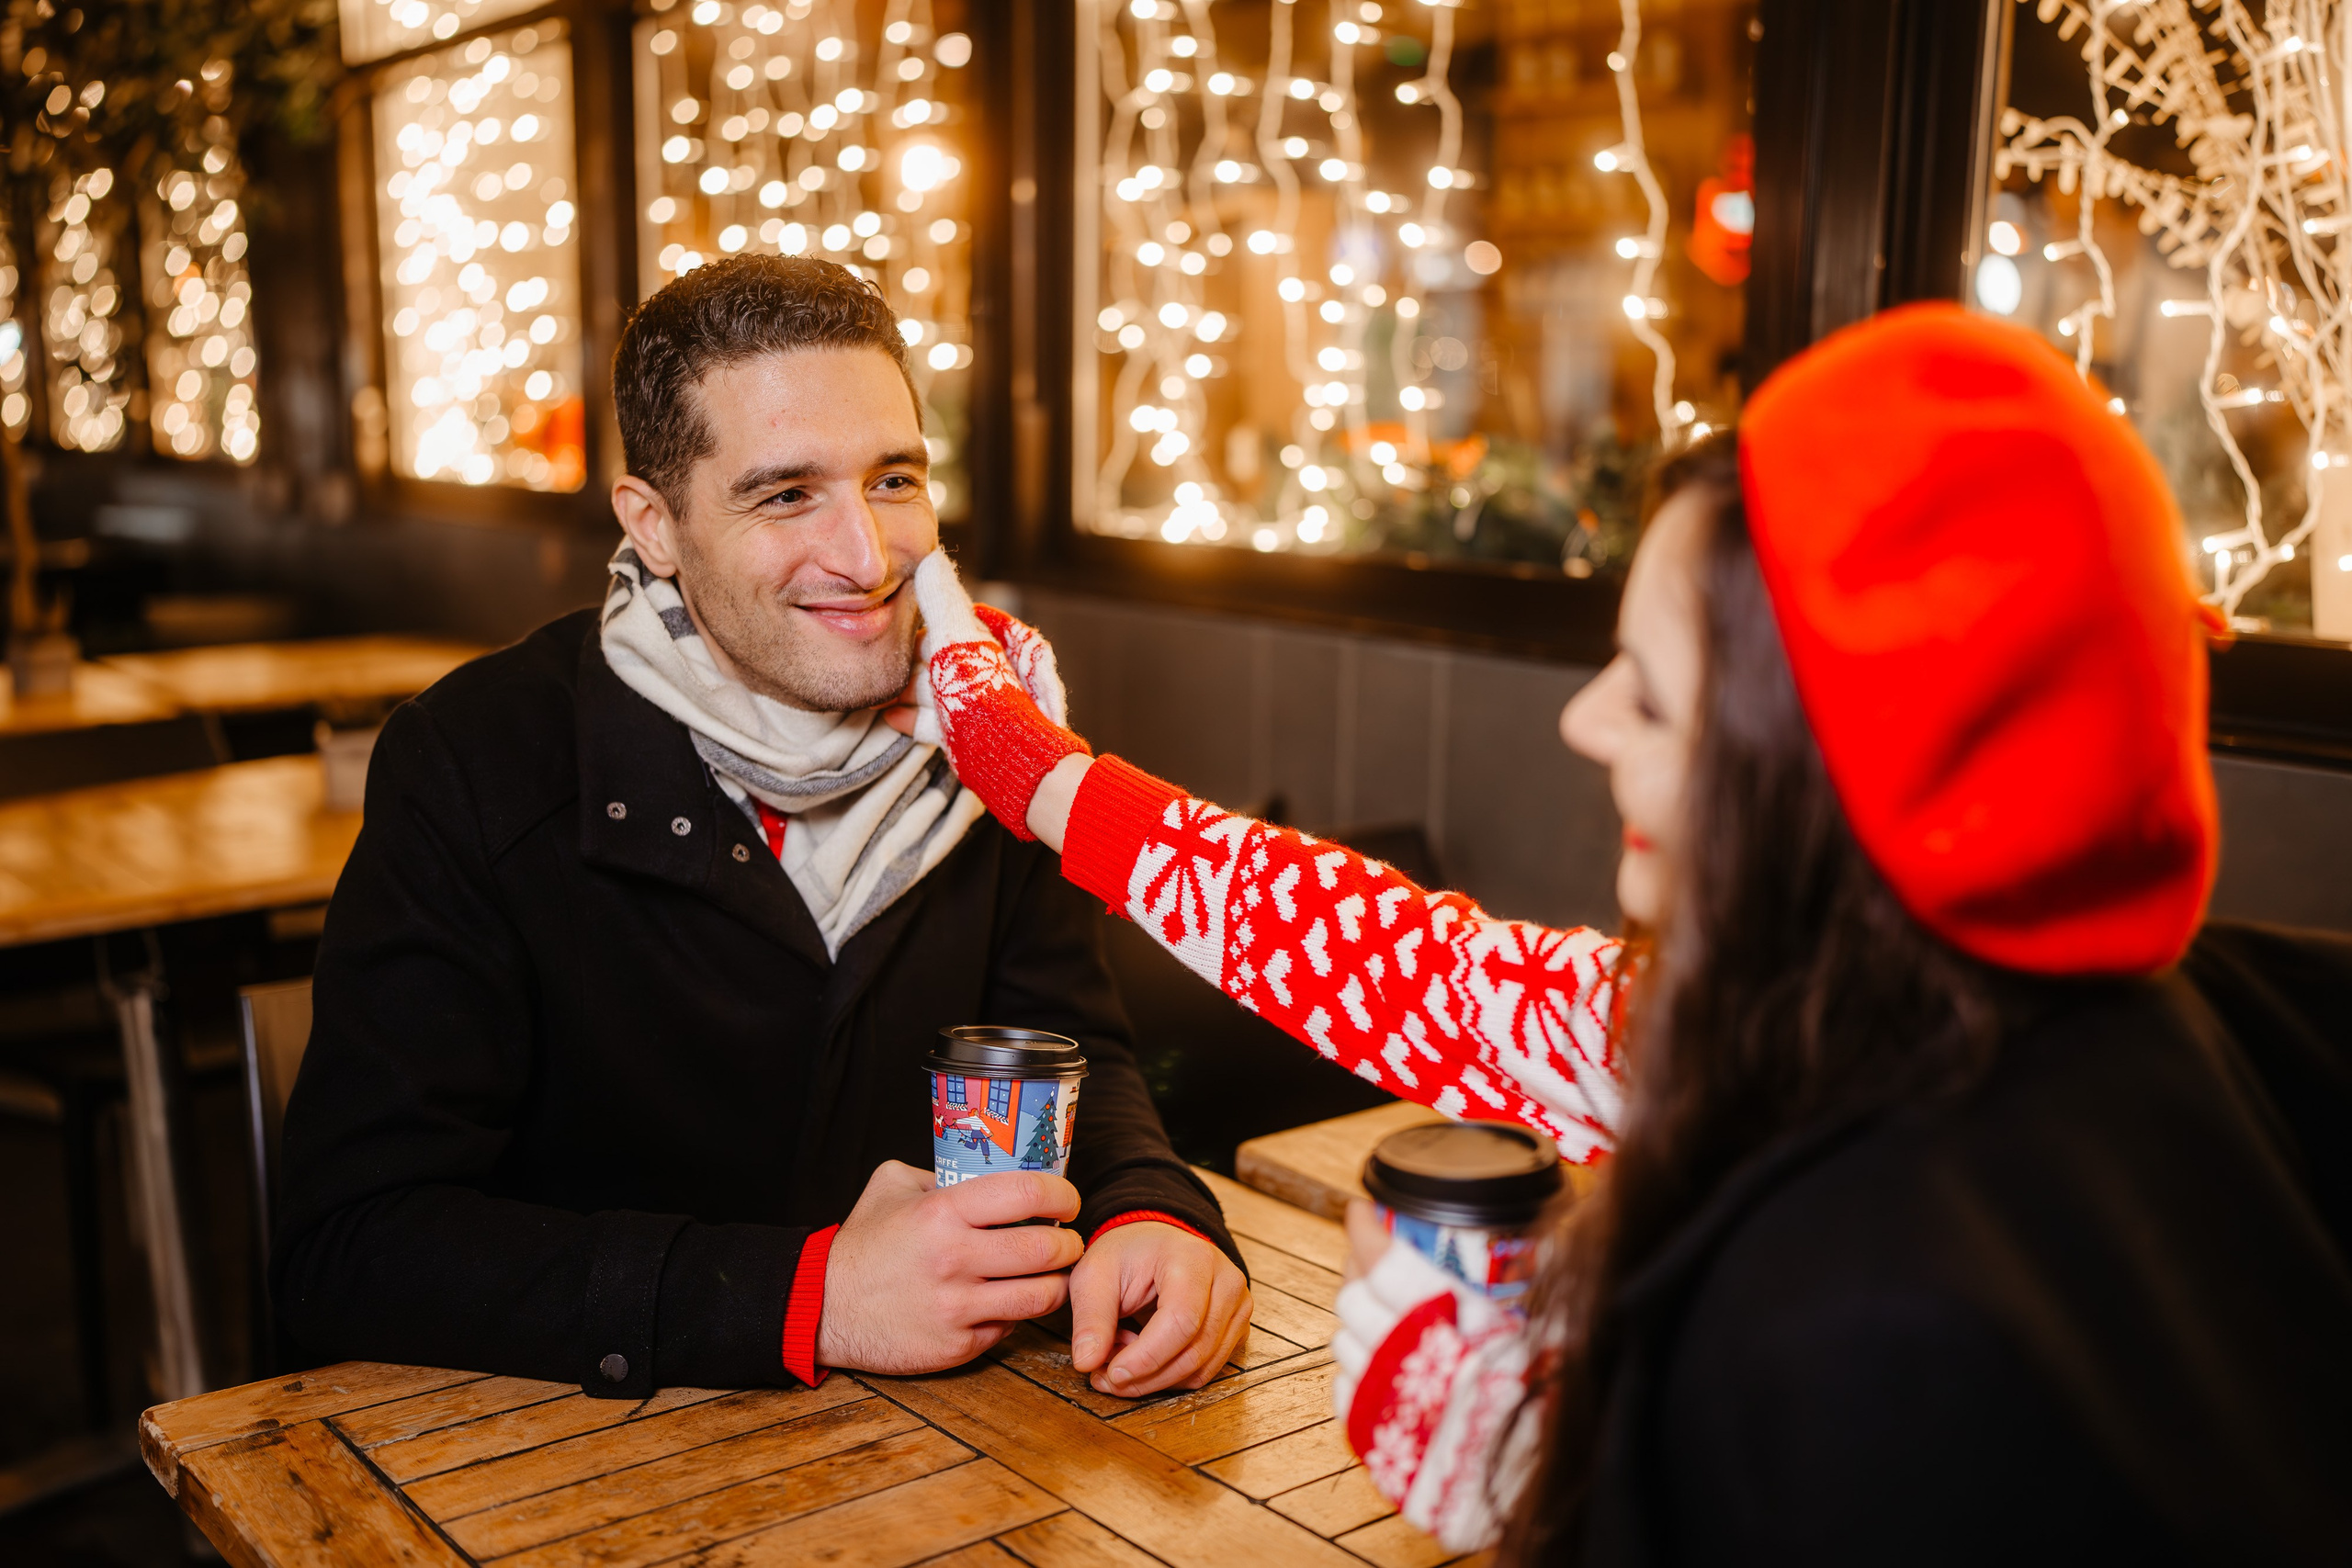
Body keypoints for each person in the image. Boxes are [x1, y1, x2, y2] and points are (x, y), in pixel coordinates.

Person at [900, 304, 2352, 1560]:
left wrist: (1575, 1467)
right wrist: (1051, 782)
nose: (1584, 718)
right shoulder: (2033, 997)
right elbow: (1437, 976)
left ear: (1816, 769)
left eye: (1649, 693)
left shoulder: (1864, 1305)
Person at [274, 256, 1250, 1404]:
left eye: (895, 481)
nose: (869, 557)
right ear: (655, 526)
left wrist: (1155, 1208)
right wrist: (809, 1293)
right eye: (786, 495)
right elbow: (352, 1250)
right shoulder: (476, 760)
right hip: (585, 1463)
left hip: (949, 1450)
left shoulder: (998, 731)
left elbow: (1063, 1051)